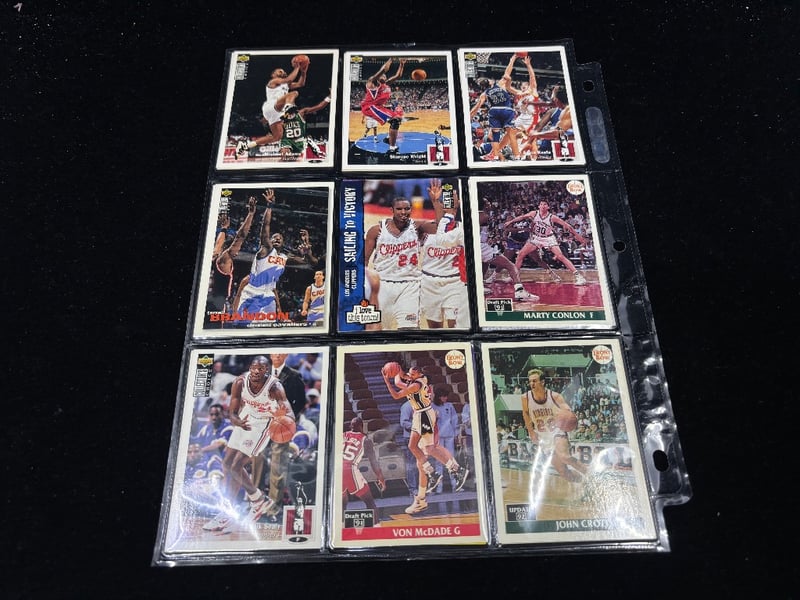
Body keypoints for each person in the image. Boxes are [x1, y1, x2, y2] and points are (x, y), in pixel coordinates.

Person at [202, 356, 294, 532]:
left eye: (261, 368)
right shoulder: (239, 382)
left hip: (263, 424)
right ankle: (238, 508)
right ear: (250, 367)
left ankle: (257, 500)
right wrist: (236, 420)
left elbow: (288, 411)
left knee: (236, 466)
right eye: (253, 367)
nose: (256, 371)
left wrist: (286, 423)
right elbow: (232, 411)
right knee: (227, 464)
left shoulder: (275, 387)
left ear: (267, 370)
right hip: (245, 420)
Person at [382, 363, 469, 514]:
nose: (408, 376)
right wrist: (396, 371)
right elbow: (399, 380)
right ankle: (421, 499)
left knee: (422, 448)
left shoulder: (416, 385)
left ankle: (445, 471)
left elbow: (396, 394)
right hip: (421, 415)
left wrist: (386, 381)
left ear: (418, 374)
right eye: (408, 374)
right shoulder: (418, 380)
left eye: (411, 374)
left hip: (423, 415)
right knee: (420, 459)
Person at [233, 189, 320, 321]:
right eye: (274, 237)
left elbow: (310, 262)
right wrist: (269, 206)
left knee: (268, 327)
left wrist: (307, 249)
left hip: (269, 295)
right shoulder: (266, 249)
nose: (277, 238)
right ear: (269, 241)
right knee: (245, 325)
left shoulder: (284, 258)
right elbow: (265, 227)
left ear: (283, 242)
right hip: (252, 292)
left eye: (280, 238)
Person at [362, 187, 439, 330]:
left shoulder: (417, 227)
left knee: (410, 329)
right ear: (391, 210)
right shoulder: (376, 230)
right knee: (378, 328)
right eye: (399, 209)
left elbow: (441, 227)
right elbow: (364, 261)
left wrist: (435, 202)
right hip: (383, 284)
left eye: (407, 209)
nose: (403, 212)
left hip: (410, 285)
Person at [521, 368, 588, 483]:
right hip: (543, 436)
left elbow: (567, 409)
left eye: (535, 381)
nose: (531, 383)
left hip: (557, 431)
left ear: (542, 382)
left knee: (564, 457)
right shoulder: (525, 398)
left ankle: (594, 476)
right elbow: (526, 414)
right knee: (563, 472)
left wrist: (566, 414)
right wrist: (531, 432)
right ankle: (585, 483)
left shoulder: (555, 396)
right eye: (530, 381)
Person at [420, 180, 470, 329]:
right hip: (429, 282)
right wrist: (435, 201)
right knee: (435, 327)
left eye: (450, 201)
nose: (445, 205)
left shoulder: (462, 228)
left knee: (456, 325)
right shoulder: (425, 228)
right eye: (442, 202)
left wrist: (445, 209)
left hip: (454, 282)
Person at [503, 199, 587, 285]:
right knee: (521, 254)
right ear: (539, 206)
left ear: (548, 207)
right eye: (541, 204)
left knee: (560, 256)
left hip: (548, 238)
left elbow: (568, 226)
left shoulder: (552, 217)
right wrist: (511, 221)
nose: (543, 206)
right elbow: (522, 217)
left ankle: (579, 277)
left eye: (545, 204)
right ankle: (514, 276)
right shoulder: (534, 213)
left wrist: (578, 236)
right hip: (536, 237)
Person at [235, 60, 309, 158]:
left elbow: (300, 84)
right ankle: (289, 108)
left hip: (275, 112)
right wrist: (297, 67)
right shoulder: (273, 81)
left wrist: (303, 72)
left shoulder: (286, 85)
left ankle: (246, 145)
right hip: (272, 105)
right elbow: (289, 79)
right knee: (294, 93)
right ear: (273, 75)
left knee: (277, 137)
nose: (282, 72)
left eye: (283, 71)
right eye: (279, 71)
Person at [478, 206, 538, 301]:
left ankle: (479, 285)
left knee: (484, 263)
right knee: (510, 265)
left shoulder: (524, 219)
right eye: (487, 203)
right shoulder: (483, 215)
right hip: (487, 245)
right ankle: (520, 292)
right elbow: (507, 229)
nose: (489, 204)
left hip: (484, 244)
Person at [209, 196, 257, 312]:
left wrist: (224, 228)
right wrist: (251, 214)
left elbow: (218, 244)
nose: (237, 251)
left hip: (209, 299)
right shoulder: (224, 260)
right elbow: (241, 236)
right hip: (216, 303)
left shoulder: (215, 255)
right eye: (237, 249)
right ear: (229, 249)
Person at [469, 56, 519, 161]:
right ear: (490, 83)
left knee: (495, 136)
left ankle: (495, 157)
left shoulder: (484, 94)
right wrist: (512, 59)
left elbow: (477, 106)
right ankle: (517, 157)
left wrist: (469, 115)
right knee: (511, 134)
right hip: (507, 109)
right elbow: (507, 73)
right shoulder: (499, 85)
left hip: (494, 110)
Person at [342, 417, 386, 526]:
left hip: (337, 469)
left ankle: (341, 527)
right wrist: (380, 477)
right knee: (369, 501)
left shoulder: (342, 435)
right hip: (350, 469)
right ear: (362, 426)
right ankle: (376, 527)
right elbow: (373, 461)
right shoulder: (365, 439)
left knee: (342, 502)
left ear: (350, 426)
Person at [360, 57, 406, 154]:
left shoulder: (387, 84)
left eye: (385, 76)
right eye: (381, 75)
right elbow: (384, 69)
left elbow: (398, 76)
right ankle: (392, 148)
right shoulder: (372, 82)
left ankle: (389, 138)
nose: (383, 76)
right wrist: (391, 58)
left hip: (378, 107)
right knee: (395, 120)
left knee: (397, 120)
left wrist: (402, 64)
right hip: (370, 107)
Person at [278, 94, 331, 162]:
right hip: (287, 140)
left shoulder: (301, 113)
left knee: (296, 162)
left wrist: (329, 98)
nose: (291, 114)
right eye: (289, 112)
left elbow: (319, 107)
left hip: (299, 141)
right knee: (285, 155)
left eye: (293, 111)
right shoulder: (282, 119)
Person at [429, 385, 460, 493]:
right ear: (439, 397)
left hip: (449, 435)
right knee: (439, 461)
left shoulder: (449, 406)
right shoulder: (432, 406)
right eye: (444, 396)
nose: (446, 398)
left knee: (451, 459)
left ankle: (455, 485)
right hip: (438, 437)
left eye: (446, 396)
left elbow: (454, 420)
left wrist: (456, 434)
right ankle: (439, 487)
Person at [399, 398, 418, 495]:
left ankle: (422, 486)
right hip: (410, 437)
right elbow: (404, 422)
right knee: (411, 463)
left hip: (422, 437)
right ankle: (413, 489)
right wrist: (417, 426)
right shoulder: (407, 406)